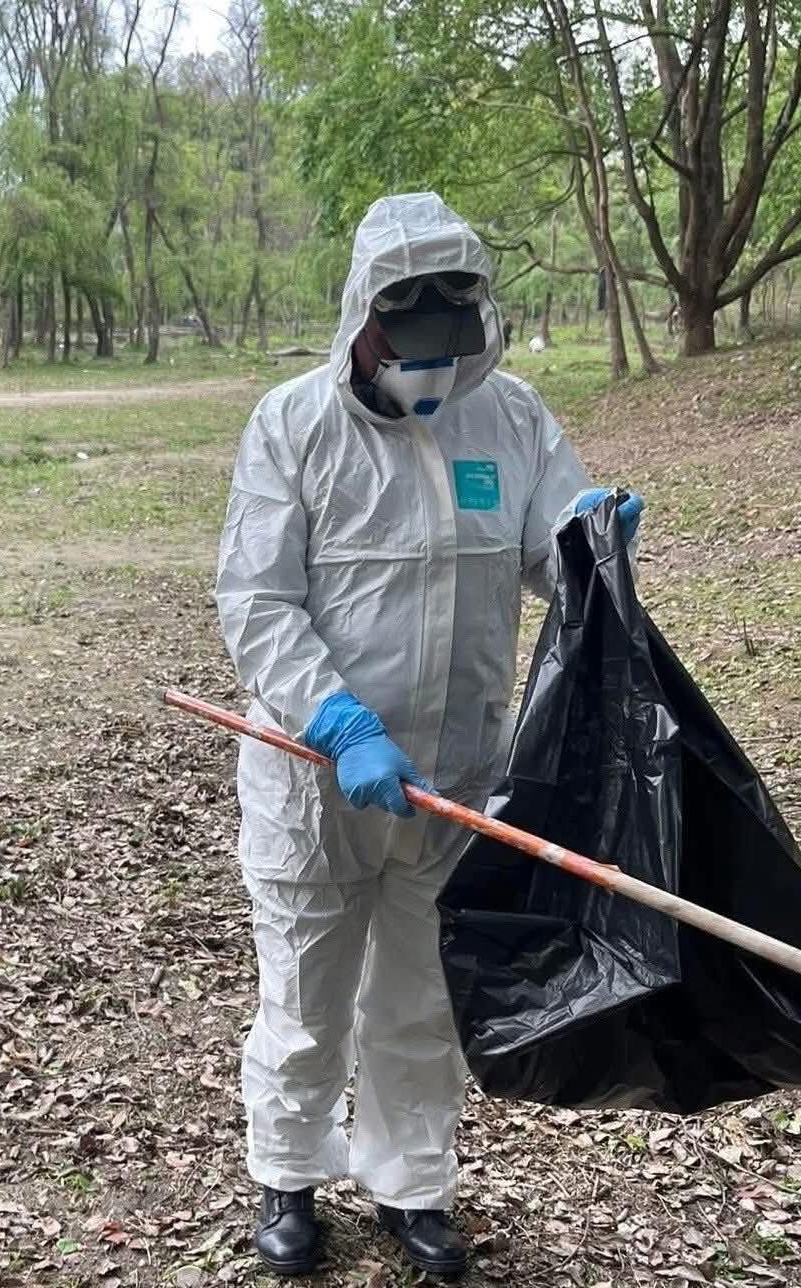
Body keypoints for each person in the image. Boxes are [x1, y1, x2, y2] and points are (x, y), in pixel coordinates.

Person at [215, 192, 644, 1278]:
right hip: (319, 777)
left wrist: (592, 537)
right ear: (362, 317)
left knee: (418, 1000)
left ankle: (411, 1185)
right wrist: (339, 720)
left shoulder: (507, 417)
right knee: (307, 999)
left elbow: (554, 555)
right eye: (408, 347)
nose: (428, 373)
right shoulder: (293, 425)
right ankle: (288, 1175)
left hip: (454, 778)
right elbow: (258, 601)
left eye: (448, 349)